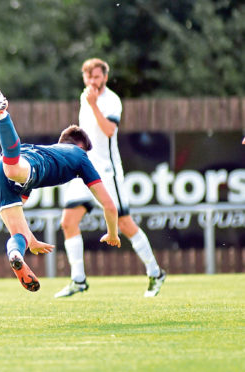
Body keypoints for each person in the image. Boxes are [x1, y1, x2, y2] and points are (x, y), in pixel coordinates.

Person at [0, 90, 121, 292]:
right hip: (19, 164)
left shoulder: (46, 149)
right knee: (13, 168)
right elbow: (109, 205)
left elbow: (19, 208)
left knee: (18, 233)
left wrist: (31, 239)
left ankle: (15, 254)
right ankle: (2, 115)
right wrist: (112, 233)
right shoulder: (79, 155)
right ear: (81, 145)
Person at [55, 58, 166, 299]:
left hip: (107, 171)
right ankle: (78, 280)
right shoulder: (85, 96)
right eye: (88, 77)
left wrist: (94, 105)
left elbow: (109, 130)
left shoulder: (110, 100)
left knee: (124, 224)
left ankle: (155, 272)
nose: (92, 81)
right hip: (83, 167)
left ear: (105, 76)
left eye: (96, 77)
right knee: (68, 221)